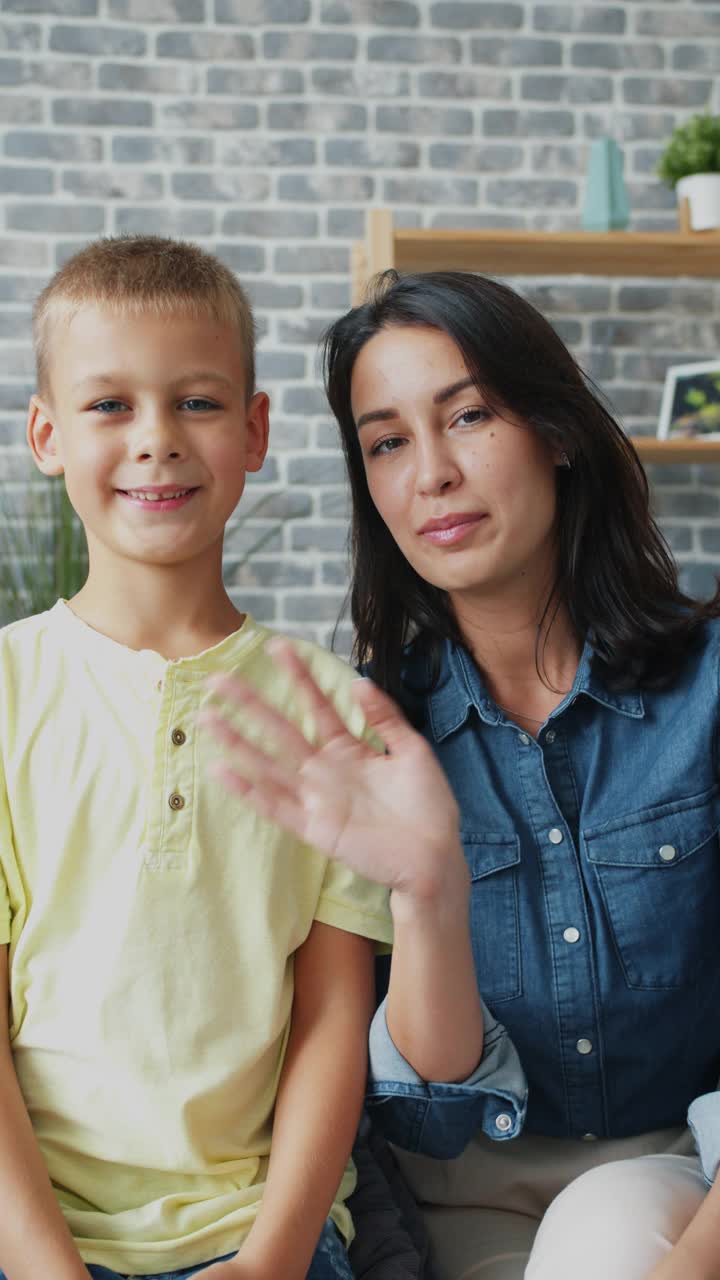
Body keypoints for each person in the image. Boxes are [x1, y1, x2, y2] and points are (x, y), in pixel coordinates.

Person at [202, 269, 720, 1280]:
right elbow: (431, 1108)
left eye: (470, 415)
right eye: (388, 440)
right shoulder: (367, 735)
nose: (430, 472)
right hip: (446, 1195)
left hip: (674, 1173)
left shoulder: (707, 692)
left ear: (557, 430)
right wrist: (430, 889)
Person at [0, 235, 395, 1280]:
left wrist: (272, 1255)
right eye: (109, 405)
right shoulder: (6, 693)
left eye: (199, 403)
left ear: (257, 430)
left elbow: (332, 1016)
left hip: (259, 1233)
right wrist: (47, 1264)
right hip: (28, 1230)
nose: (157, 440)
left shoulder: (335, 710)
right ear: (46, 434)